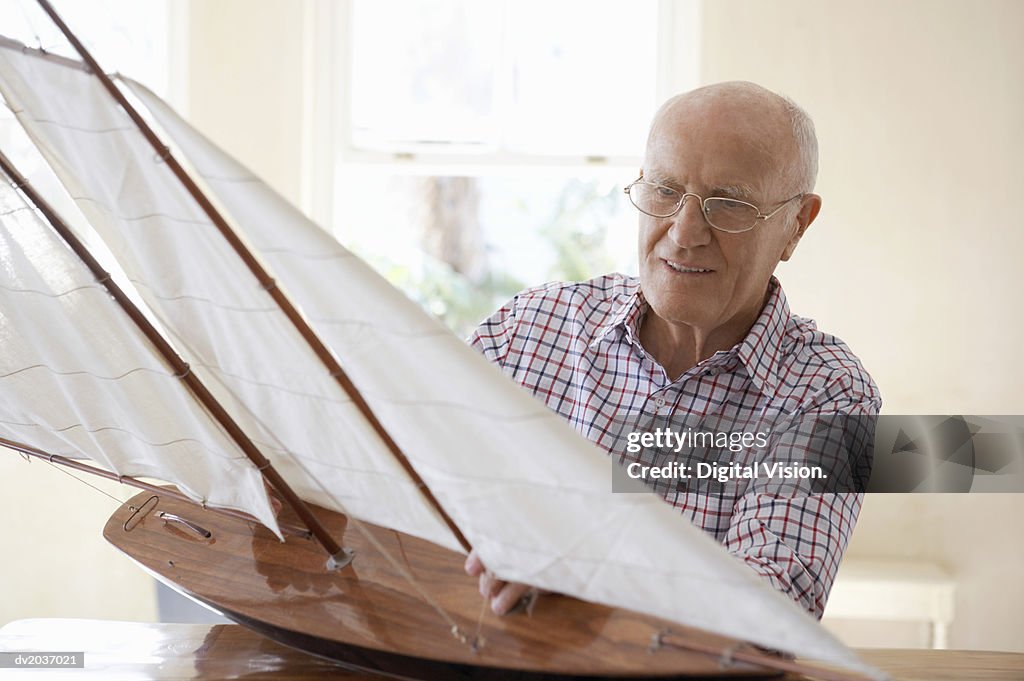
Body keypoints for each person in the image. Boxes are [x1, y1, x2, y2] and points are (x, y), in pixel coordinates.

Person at [464, 81, 880, 619]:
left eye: (728, 204)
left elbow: (775, 605)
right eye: (663, 191)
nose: (684, 233)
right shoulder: (530, 329)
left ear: (795, 226)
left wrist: (595, 574)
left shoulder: (827, 393)